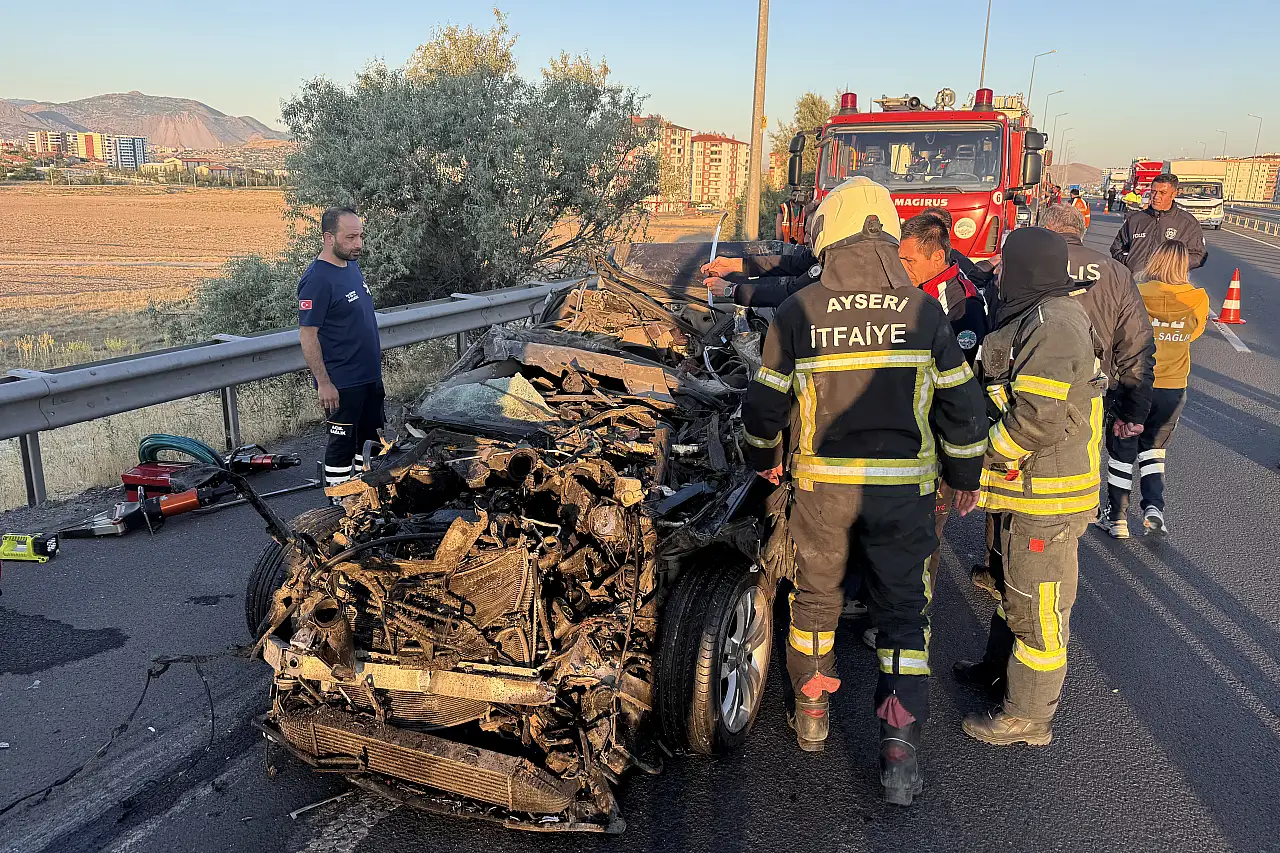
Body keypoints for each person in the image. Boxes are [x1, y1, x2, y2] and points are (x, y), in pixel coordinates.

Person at [741, 176, 987, 803]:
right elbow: (963, 409)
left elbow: (764, 407)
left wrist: (765, 460)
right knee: (903, 616)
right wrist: (963, 477)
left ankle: (812, 713)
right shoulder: (925, 313)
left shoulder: (799, 311)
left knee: (815, 604)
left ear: (832, 233)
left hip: (822, 492)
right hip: (904, 495)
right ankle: (899, 750)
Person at [953, 227, 1107, 746]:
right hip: (1022, 490)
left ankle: (1029, 716)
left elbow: (1036, 422)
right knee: (1011, 586)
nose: (997, 273)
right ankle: (998, 672)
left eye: (1004, 264)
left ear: (1026, 269)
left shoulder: (1054, 326)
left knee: (1038, 607)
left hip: (1047, 496)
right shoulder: (1033, 314)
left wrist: (975, 458)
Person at [851, 212, 990, 650]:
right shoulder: (907, 290)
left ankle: (908, 621)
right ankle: (874, 601)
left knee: (921, 537)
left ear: (938, 257)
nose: (901, 268)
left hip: (932, 444)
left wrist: (958, 465)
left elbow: (958, 393)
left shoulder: (961, 305)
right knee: (881, 524)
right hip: (895, 433)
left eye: (909, 261)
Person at [1097, 241, 1208, 538]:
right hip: (1172, 387)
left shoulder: (1137, 292)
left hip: (1136, 382)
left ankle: (1117, 518)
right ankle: (1153, 508)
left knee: (1122, 449)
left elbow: (1121, 332)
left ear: (1154, 260)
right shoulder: (1197, 298)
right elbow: (1194, 333)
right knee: (1154, 450)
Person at [298, 207, 384, 495]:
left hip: (369, 377)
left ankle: (364, 496)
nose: (358, 244)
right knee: (342, 445)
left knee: (370, 441)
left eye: (360, 236)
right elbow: (308, 335)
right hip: (342, 382)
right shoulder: (317, 280)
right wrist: (324, 383)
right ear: (329, 238)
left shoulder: (350, 265)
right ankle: (337, 502)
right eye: (350, 238)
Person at [1111, 174, 1207, 276]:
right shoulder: (1135, 219)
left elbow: (1199, 255)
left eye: (1163, 193)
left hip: (1167, 283)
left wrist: (1173, 266)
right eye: (1153, 192)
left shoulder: (1188, 223)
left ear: (1173, 194)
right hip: (1135, 282)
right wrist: (1130, 261)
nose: (1156, 197)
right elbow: (1116, 248)